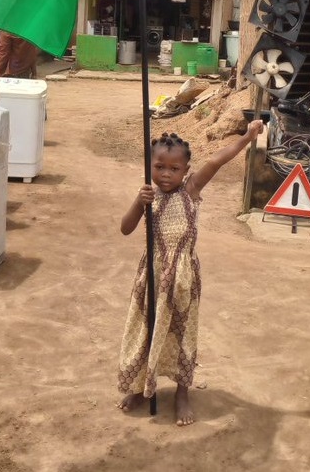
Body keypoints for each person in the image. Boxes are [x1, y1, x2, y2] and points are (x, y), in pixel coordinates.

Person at [117, 120, 264, 426]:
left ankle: (182, 393)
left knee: (183, 333)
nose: (166, 174)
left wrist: (247, 136)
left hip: (183, 278)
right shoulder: (148, 195)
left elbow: (217, 160)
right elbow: (125, 229)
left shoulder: (191, 189)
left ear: (185, 171)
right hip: (152, 274)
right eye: (159, 167)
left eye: (174, 169)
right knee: (146, 328)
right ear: (149, 166)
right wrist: (138, 202)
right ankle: (141, 387)